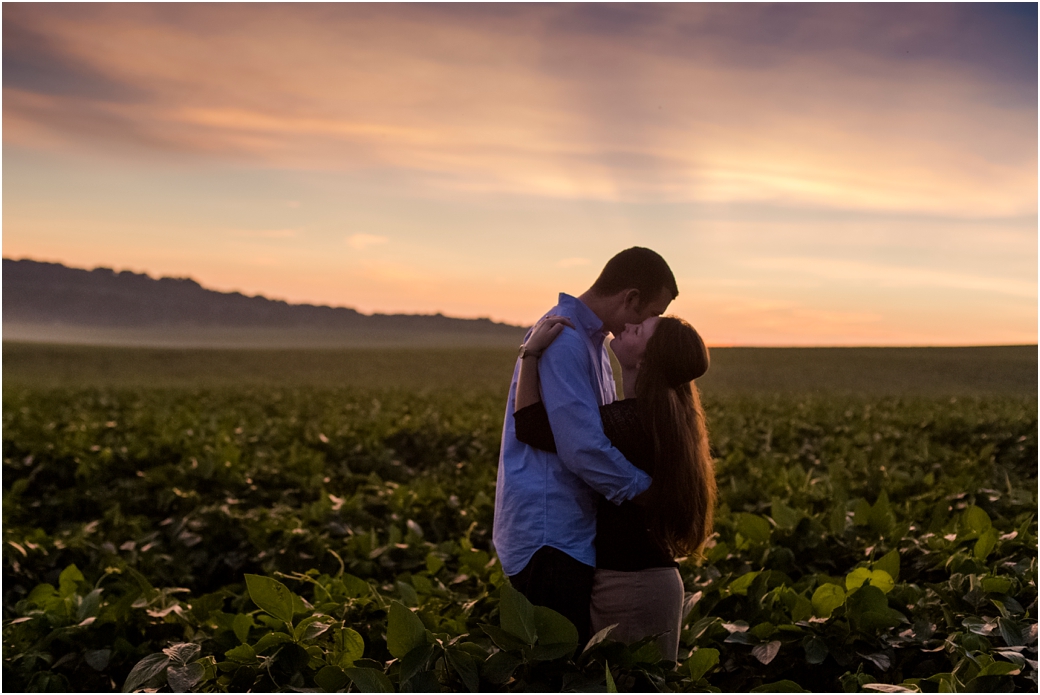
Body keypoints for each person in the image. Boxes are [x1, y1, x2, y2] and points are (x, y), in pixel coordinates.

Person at [492, 247, 678, 644]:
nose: (649, 324)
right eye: (650, 315)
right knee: (553, 674)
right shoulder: (565, 339)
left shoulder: (591, 343)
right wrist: (648, 494)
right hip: (551, 535)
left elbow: (560, 431)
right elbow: (582, 446)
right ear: (630, 298)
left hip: (568, 533)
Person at [512, 312, 716, 661]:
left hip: (630, 588)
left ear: (646, 359)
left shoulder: (627, 422)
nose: (628, 326)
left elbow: (531, 426)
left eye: (640, 331)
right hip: (651, 584)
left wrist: (529, 354)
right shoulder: (664, 421)